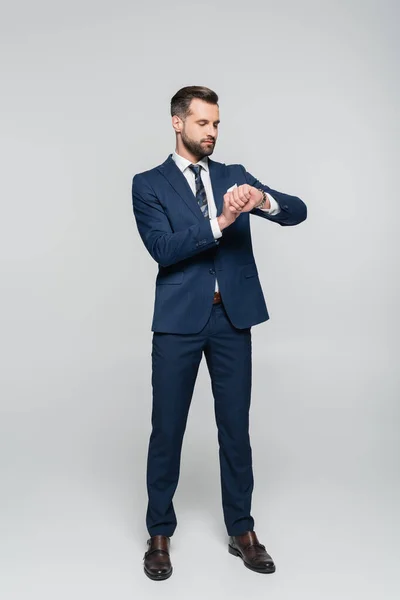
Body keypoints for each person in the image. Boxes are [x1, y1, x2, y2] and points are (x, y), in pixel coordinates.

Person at [131, 85, 307, 580]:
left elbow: (298, 211)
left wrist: (263, 200)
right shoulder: (147, 184)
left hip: (232, 319)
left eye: (216, 124)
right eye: (203, 123)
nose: (211, 132)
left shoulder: (234, 175)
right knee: (167, 430)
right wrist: (222, 220)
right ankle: (159, 534)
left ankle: (242, 531)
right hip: (178, 322)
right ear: (177, 123)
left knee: (236, 429)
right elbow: (164, 248)